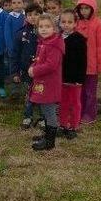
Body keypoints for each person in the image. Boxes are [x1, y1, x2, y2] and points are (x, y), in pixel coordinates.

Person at [28, 14, 65, 151]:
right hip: (43, 82)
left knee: (49, 111)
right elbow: (39, 60)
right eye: (41, 26)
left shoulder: (53, 45)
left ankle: (50, 142)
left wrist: (35, 71)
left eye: (47, 26)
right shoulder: (44, 42)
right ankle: (47, 135)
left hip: (49, 83)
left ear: (54, 28)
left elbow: (51, 65)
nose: (44, 29)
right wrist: (33, 66)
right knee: (44, 108)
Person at [75, 0, 101, 124]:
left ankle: (90, 114)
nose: (84, 11)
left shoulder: (98, 24)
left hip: (91, 66)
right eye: (81, 8)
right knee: (79, 90)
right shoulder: (76, 23)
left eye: (87, 8)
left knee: (90, 92)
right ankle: (80, 111)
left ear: (92, 8)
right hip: (78, 65)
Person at [10, 3, 42, 129]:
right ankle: (27, 117)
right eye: (29, 15)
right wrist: (15, 72)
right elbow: (15, 54)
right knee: (29, 95)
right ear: (26, 16)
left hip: (42, 72)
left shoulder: (45, 32)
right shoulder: (21, 34)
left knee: (41, 93)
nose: (33, 17)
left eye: (36, 14)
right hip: (26, 71)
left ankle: (42, 117)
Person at [58, 9, 87, 139]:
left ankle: (74, 126)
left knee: (74, 103)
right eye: (63, 22)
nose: (66, 24)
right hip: (61, 77)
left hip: (74, 78)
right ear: (59, 23)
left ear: (75, 23)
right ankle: (63, 124)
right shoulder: (57, 38)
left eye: (69, 22)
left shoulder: (80, 39)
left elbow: (83, 60)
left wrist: (80, 78)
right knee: (63, 102)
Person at [4, 0, 26, 75]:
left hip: (24, 43)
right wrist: (10, 47)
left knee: (23, 59)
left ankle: (23, 74)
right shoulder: (9, 17)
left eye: (19, 2)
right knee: (14, 61)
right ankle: (14, 75)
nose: (16, 5)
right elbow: (7, 34)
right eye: (14, 3)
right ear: (11, 5)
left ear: (23, 4)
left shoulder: (26, 16)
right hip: (13, 44)